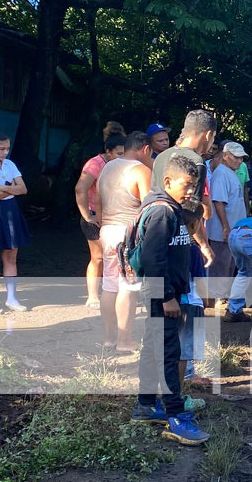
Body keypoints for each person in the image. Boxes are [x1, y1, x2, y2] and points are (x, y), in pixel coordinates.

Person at [131, 154, 210, 445]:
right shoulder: (162, 212)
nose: (190, 191)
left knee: (154, 347)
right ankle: (176, 417)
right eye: (186, 185)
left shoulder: (173, 210)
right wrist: (166, 297)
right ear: (167, 181)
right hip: (161, 295)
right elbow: (153, 258)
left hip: (166, 293)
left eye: (193, 186)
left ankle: (145, 405)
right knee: (168, 352)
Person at [97, 131, 152, 351]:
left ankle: (109, 338)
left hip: (107, 230)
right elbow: (150, 209)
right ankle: (125, 341)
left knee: (109, 286)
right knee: (128, 287)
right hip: (127, 233)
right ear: (145, 149)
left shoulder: (107, 167)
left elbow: (99, 203)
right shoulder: (140, 170)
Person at [151, 109, 216, 267]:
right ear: (208, 135)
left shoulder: (161, 157)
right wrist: (204, 245)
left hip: (155, 232)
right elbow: (191, 210)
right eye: (213, 137)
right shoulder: (197, 162)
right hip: (181, 239)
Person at [75, 125, 126, 309]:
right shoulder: (95, 164)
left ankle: (113, 293)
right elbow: (80, 189)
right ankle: (92, 296)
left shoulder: (120, 164)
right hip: (95, 215)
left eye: (124, 153)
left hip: (114, 216)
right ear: (108, 151)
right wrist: (87, 215)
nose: (122, 157)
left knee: (117, 255)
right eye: (119, 153)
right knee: (97, 257)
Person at [207, 142, 248, 306]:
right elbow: (218, 202)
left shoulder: (230, 172)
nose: (239, 161)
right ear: (225, 156)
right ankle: (218, 297)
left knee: (229, 264)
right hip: (223, 230)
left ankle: (223, 296)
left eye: (241, 158)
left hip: (232, 229)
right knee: (221, 264)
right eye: (236, 157)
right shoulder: (222, 174)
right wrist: (225, 227)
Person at [178, 206, 207, 411]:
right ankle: (180, 393)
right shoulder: (192, 249)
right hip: (191, 302)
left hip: (169, 301)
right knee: (185, 350)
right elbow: (200, 281)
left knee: (170, 347)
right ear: (195, 225)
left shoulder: (168, 246)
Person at [0, 131, 29, 312]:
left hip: (10, 211)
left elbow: (23, 189)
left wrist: (2, 188)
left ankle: (11, 298)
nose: (5, 152)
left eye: (7, 149)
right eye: (1, 149)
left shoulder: (9, 164)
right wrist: (11, 188)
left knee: (11, 256)